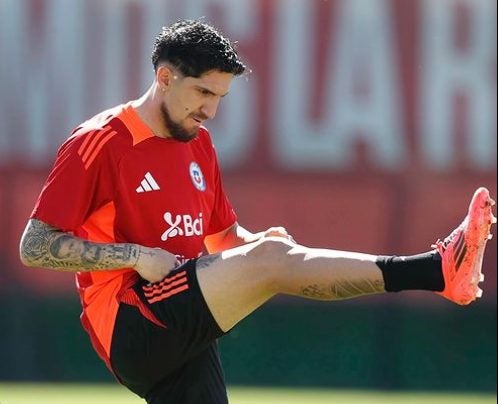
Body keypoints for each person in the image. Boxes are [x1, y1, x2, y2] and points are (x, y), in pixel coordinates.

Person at [19, 19, 495, 404]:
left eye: (220, 98)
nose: (211, 110)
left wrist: (256, 246)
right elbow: (34, 246)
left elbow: (224, 242)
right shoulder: (100, 141)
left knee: (271, 252)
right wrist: (138, 256)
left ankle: (437, 273)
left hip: (183, 315)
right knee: (271, 261)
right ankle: (435, 270)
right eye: (203, 93)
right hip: (131, 321)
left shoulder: (198, 144)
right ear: (165, 78)